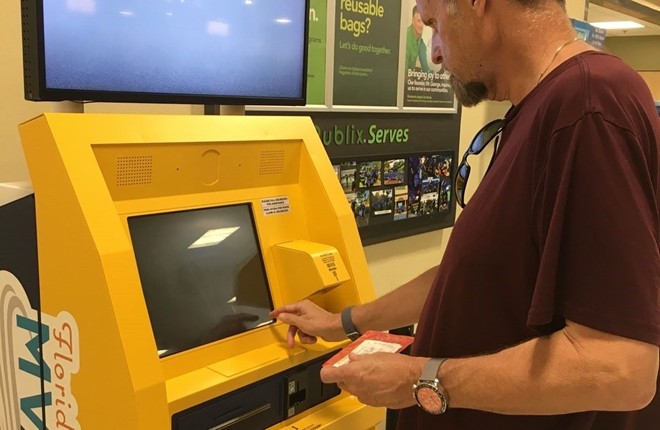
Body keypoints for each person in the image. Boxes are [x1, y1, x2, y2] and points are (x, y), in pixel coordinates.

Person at [271, 0, 660, 429]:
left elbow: (620, 367)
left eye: (435, 23)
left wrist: (420, 381)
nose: (434, 52)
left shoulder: (589, 104)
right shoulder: (537, 107)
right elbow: (472, 272)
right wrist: (344, 321)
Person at [405, 6, 431, 72]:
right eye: (418, 21)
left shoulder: (420, 36)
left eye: (422, 21)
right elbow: (403, 69)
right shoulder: (406, 38)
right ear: (413, 21)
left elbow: (422, 58)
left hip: (411, 72)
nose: (421, 25)